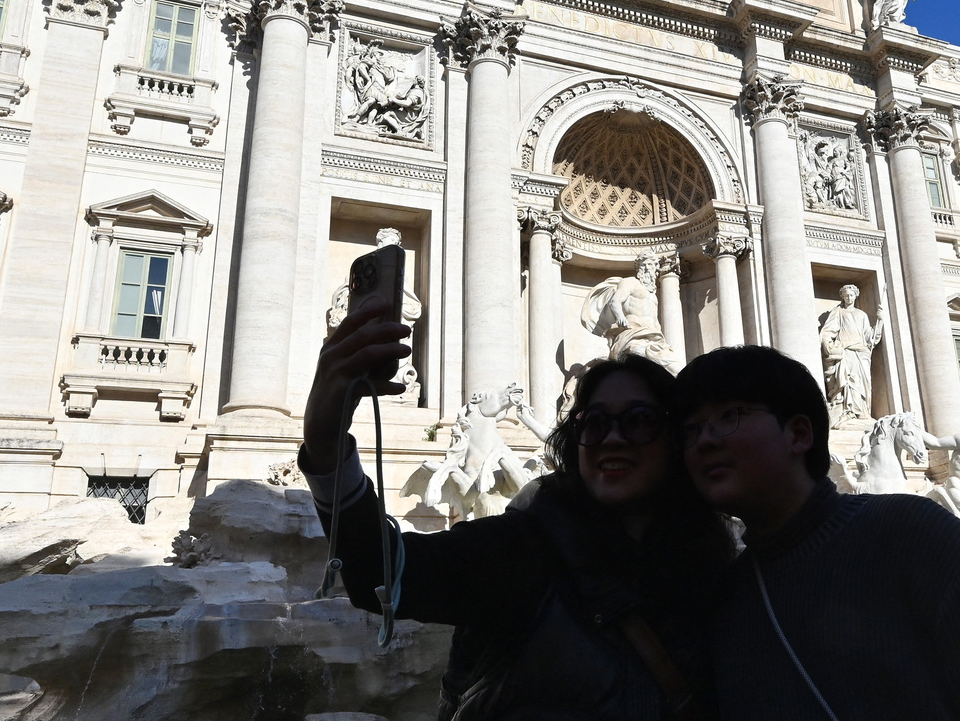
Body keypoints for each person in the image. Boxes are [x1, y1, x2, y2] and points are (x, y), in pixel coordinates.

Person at [299, 299, 733, 721]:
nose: (612, 438)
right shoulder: (518, 551)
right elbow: (381, 572)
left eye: (638, 419)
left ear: (674, 438)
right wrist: (326, 443)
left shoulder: (719, 567)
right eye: (594, 423)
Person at [671, 345, 960, 721]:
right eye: (690, 430)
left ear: (799, 433)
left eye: (729, 416)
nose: (704, 442)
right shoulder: (726, 597)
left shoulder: (913, 532)